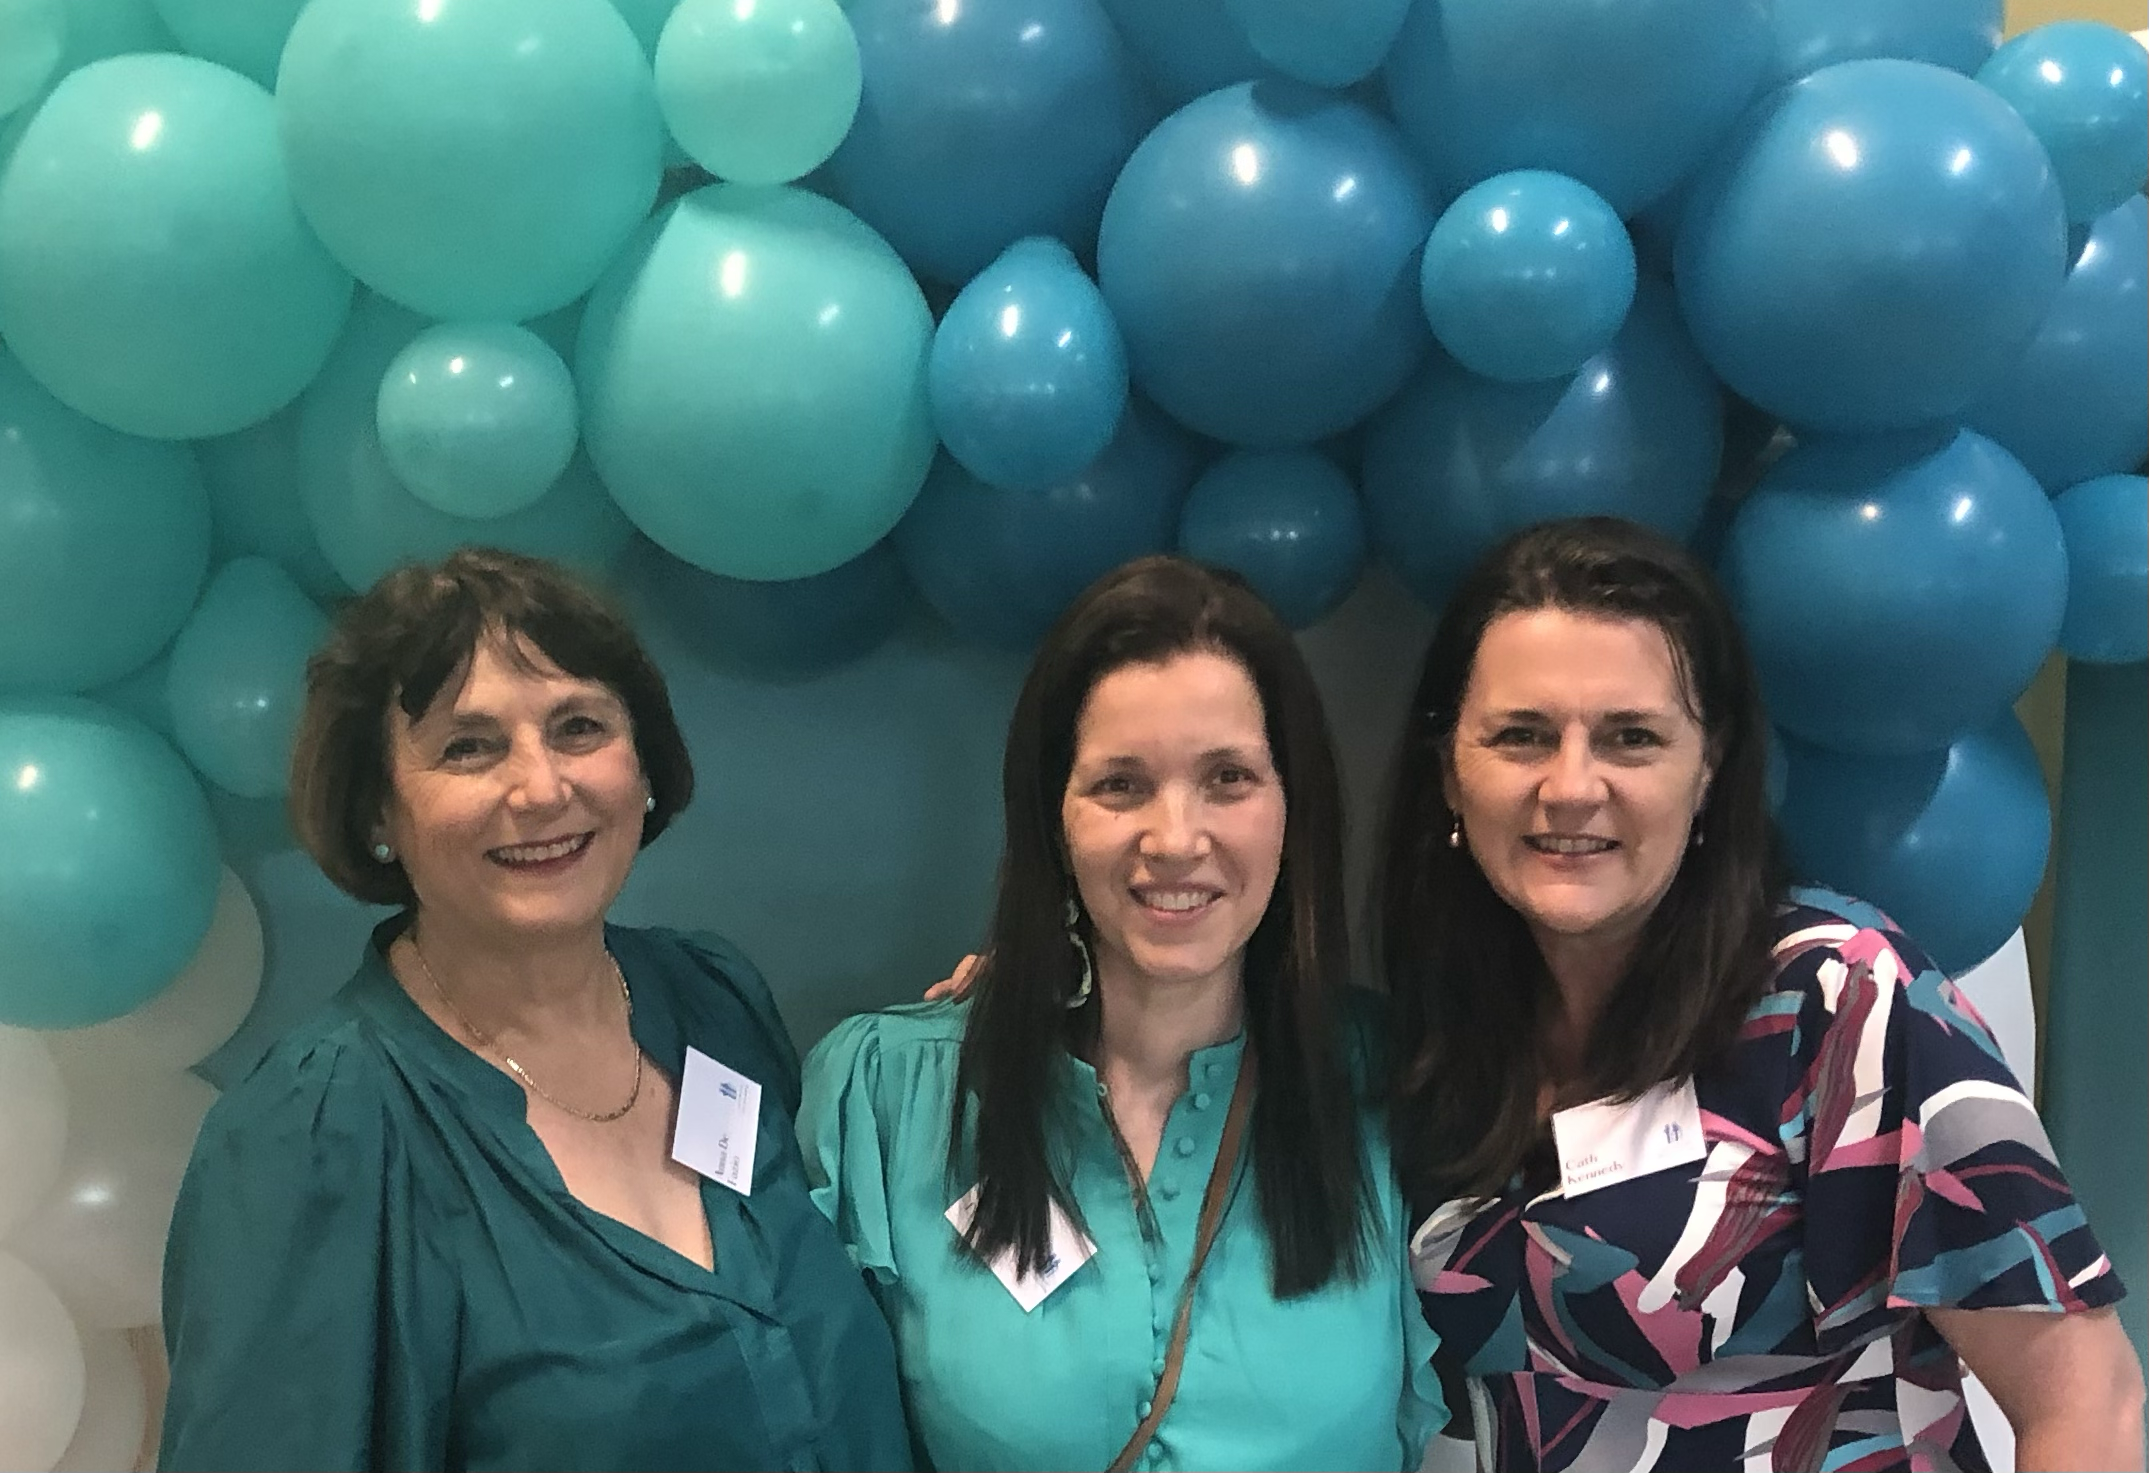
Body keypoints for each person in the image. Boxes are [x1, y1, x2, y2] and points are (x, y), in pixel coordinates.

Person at [1381, 516, 2143, 1472]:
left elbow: (2088, 1403)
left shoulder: (1841, 997)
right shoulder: (1437, 1036)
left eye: (1630, 737)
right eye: (1521, 735)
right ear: (1450, 772)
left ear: (1707, 769)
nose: (1570, 786)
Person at [158, 548, 910, 1472]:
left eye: (578, 726)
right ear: (378, 811)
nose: (543, 788)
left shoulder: (711, 997)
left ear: (643, 764)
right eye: (467, 746)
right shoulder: (313, 1134)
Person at [799, 555, 1444, 1472]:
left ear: (1291, 809)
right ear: (1053, 818)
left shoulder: (1393, 1088)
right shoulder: (887, 1096)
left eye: (1228, 777)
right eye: (1120, 785)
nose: (1175, 838)